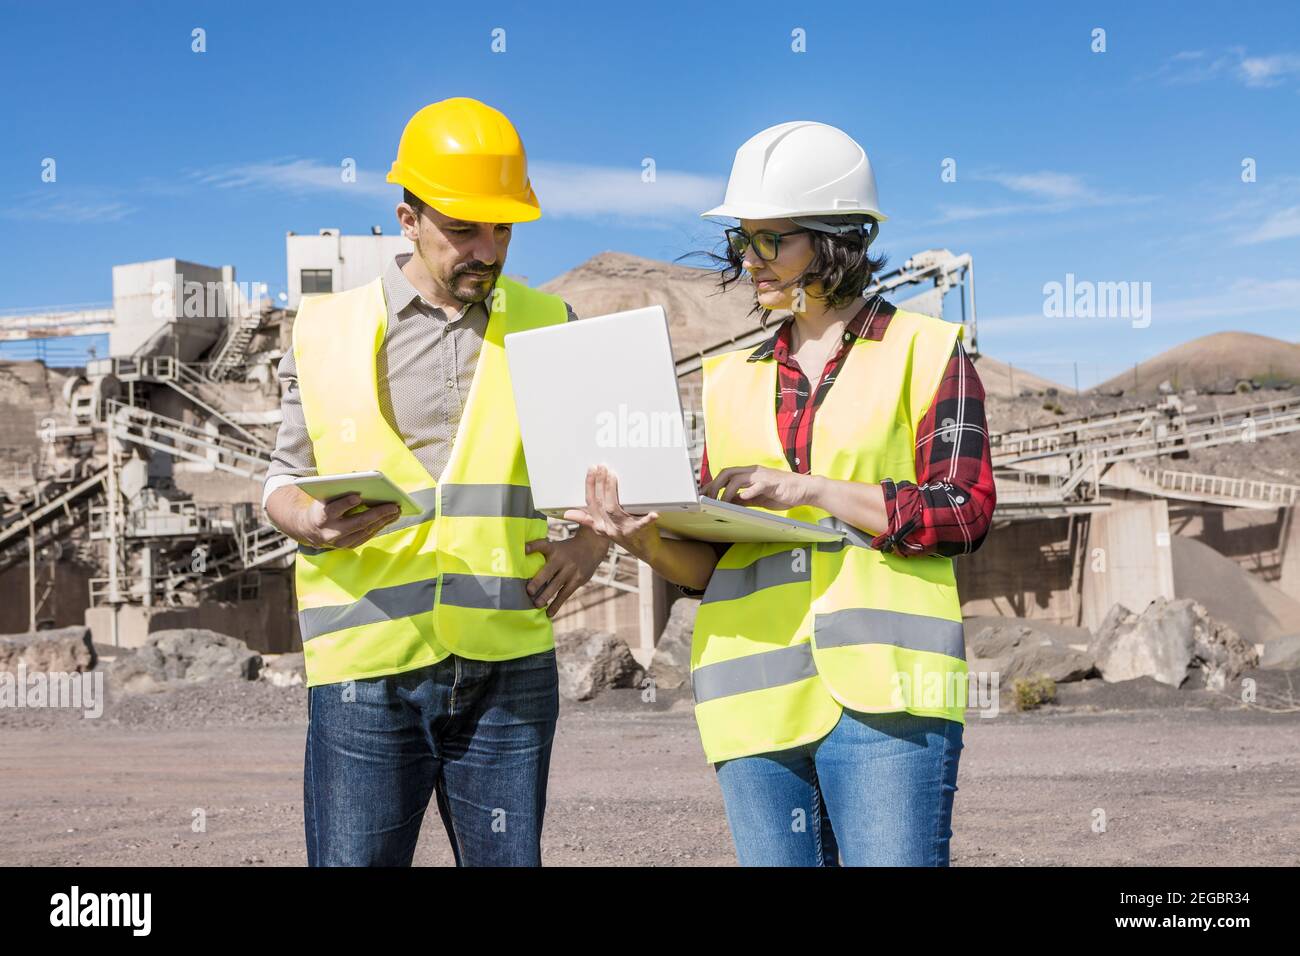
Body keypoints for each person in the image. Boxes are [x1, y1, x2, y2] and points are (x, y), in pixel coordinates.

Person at [567, 121, 996, 866]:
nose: (749, 261)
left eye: (772, 241)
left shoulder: (927, 353)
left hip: (887, 701)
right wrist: (643, 539)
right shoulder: (730, 381)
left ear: (836, 242)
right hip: (753, 701)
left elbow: (962, 513)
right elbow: (716, 567)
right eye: (743, 240)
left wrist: (812, 488)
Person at [263, 97, 609, 866]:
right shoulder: (323, 331)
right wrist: (305, 521)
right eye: (464, 229)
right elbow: (280, 478)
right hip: (367, 668)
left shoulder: (553, 320)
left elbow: (607, 469)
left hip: (507, 665)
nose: (487, 250)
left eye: (503, 229)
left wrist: (586, 548)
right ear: (407, 218)